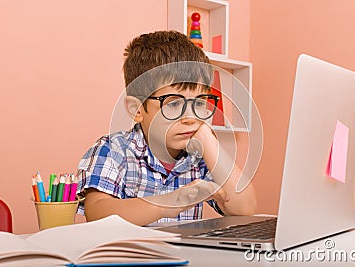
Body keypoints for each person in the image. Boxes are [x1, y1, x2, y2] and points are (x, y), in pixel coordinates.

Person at [77, 30, 256, 226]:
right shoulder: (113, 149)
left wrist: (208, 139)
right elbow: (97, 212)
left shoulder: (199, 156)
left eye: (198, 103)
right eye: (173, 104)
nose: (190, 118)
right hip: (131, 256)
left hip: (185, 256)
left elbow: (245, 208)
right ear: (137, 109)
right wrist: (168, 203)